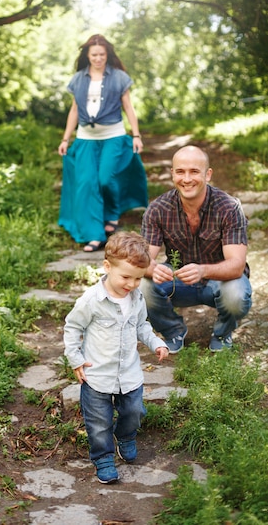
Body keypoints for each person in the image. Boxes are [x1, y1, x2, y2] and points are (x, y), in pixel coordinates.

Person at [63, 231, 169, 484]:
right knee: (98, 423)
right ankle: (103, 457)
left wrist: (155, 342)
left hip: (129, 373)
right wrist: (75, 358)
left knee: (134, 410)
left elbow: (141, 325)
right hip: (97, 374)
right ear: (107, 267)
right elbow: (72, 327)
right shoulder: (92, 300)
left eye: (137, 279)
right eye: (125, 277)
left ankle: (126, 436)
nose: (131, 284)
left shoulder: (136, 297)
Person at [140, 145, 252, 353]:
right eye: (180, 171)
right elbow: (142, 260)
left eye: (194, 171)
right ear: (172, 174)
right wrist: (152, 269)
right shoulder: (158, 209)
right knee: (142, 287)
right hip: (178, 279)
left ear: (208, 174)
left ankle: (222, 333)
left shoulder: (228, 207)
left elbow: (236, 266)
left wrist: (203, 270)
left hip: (220, 281)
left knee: (236, 295)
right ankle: (173, 331)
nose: (187, 179)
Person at [58, 34, 148, 252]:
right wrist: (65, 138)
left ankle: (113, 212)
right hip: (86, 138)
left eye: (102, 55)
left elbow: (128, 107)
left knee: (106, 179)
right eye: (94, 55)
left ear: (107, 55)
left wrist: (136, 134)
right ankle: (95, 235)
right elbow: (74, 110)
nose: (98, 58)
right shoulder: (78, 79)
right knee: (87, 183)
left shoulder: (118, 77)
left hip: (113, 136)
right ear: (87, 56)